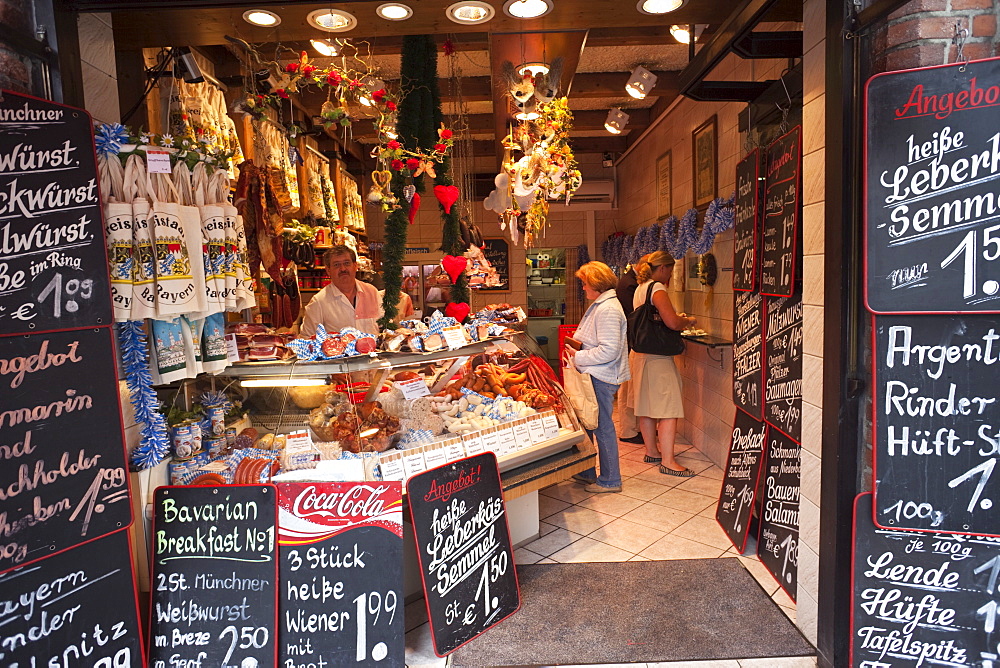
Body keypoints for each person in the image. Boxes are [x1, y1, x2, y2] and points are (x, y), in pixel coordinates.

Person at [628, 251, 697, 476]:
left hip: (640, 355)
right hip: (657, 358)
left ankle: (652, 451)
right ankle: (668, 461)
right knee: (669, 408)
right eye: (670, 270)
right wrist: (687, 320)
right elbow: (672, 321)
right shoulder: (657, 288)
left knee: (646, 407)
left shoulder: (640, 288)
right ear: (664, 269)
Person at [564, 261, 630, 493]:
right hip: (594, 374)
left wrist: (579, 356)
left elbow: (609, 350)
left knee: (602, 427)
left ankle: (611, 479)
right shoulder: (601, 304)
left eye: (584, 283)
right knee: (589, 424)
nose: (582, 288)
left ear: (596, 283)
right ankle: (586, 471)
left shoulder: (609, 309)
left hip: (601, 376)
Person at [300, 245, 383, 337]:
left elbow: (383, 326)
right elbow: (307, 339)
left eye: (347, 263)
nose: (343, 269)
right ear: (328, 270)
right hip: (336, 351)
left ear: (355, 266)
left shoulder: (372, 292)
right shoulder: (318, 302)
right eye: (336, 265)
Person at [616, 255, 648, 445]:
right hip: (629, 341)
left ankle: (635, 428)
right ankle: (628, 430)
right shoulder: (629, 284)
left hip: (630, 341)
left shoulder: (629, 281)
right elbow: (636, 315)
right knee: (628, 389)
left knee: (630, 388)